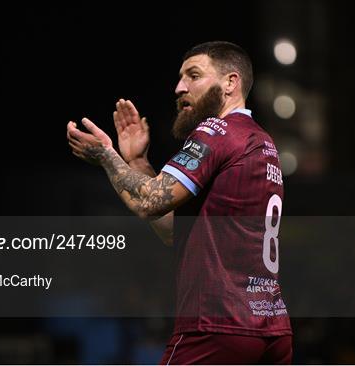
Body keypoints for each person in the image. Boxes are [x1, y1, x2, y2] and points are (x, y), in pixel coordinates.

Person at [67, 41, 292, 364]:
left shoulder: (216, 131)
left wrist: (107, 157)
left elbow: (148, 202)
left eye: (193, 75)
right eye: (180, 77)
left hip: (217, 328)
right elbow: (174, 230)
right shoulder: (261, 141)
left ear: (231, 82)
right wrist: (137, 162)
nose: (179, 87)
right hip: (272, 330)